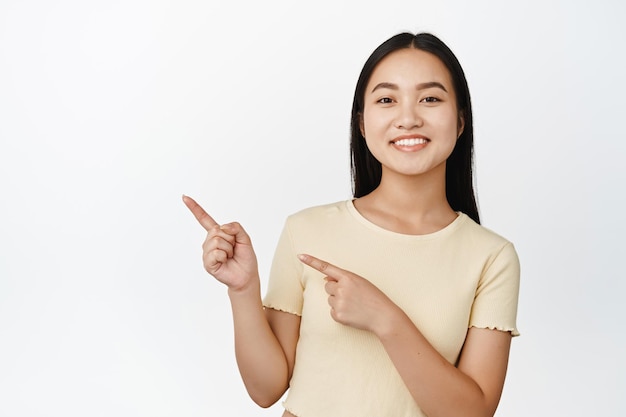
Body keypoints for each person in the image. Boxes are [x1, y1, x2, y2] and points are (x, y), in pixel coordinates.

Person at [183, 31, 520, 417]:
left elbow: (471, 413)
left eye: (430, 98)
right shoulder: (306, 230)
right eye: (387, 100)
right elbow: (266, 389)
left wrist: (385, 319)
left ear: (460, 122)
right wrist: (243, 290)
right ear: (362, 123)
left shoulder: (492, 257)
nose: (408, 118)